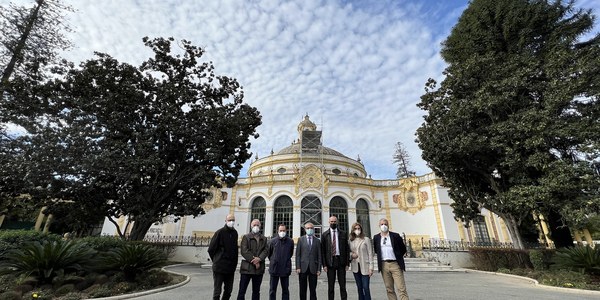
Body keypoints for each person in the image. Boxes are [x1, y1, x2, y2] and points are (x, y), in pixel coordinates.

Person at [373, 218, 409, 300]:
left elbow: (403, 249)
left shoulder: (395, 236)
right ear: (379, 226)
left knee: (401, 288)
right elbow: (376, 250)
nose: (383, 226)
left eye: (385, 224)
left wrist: (398, 257)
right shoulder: (376, 237)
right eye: (382, 224)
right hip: (384, 265)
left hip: (395, 264)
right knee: (389, 289)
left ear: (388, 225)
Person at [208, 214, 239, 300]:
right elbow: (211, 249)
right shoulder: (219, 232)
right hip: (219, 267)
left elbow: (235, 249)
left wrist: (234, 263)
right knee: (217, 291)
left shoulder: (235, 233)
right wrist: (216, 259)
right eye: (229, 220)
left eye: (233, 220)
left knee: (228, 291)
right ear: (226, 221)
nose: (231, 222)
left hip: (230, 268)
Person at [236, 219, 268, 300]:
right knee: (242, 290)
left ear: (260, 226)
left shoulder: (264, 238)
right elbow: (244, 251)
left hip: (258, 270)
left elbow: (266, 250)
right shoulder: (246, 237)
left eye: (257, 225)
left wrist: (259, 259)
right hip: (247, 268)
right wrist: (255, 261)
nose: (256, 227)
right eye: (254, 225)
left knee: (256, 291)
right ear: (251, 226)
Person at [321, 215, 349, 300]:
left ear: (337, 222)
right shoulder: (325, 235)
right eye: (331, 222)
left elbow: (346, 249)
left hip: (341, 261)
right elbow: (323, 251)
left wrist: (347, 263)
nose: (333, 223)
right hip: (330, 262)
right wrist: (324, 265)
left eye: (334, 221)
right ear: (329, 222)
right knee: (331, 286)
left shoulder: (343, 233)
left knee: (343, 286)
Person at [295, 222, 322, 300]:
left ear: (313, 229)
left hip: (313, 268)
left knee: (313, 290)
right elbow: (298, 255)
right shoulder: (301, 239)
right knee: (302, 290)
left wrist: (319, 269)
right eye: (308, 228)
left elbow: (319, 256)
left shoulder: (317, 241)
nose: (309, 229)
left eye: (311, 228)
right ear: (305, 229)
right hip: (303, 268)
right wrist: (298, 267)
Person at [268, 224, 294, 300]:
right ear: (277, 231)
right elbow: (269, 254)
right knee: (272, 290)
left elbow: (290, 253)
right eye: (280, 230)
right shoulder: (272, 241)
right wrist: (274, 261)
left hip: (285, 269)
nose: (282, 232)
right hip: (274, 269)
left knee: (285, 290)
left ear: (286, 231)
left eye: (283, 230)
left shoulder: (290, 241)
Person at [349, 222, 374, 300]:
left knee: (366, 287)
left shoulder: (366, 239)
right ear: (353, 230)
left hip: (365, 266)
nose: (357, 230)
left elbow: (370, 253)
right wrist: (351, 255)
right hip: (356, 266)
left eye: (358, 228)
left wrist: (371, 267)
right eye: (355, 229)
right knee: (359, 287)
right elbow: (348, 251)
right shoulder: (350, 240)